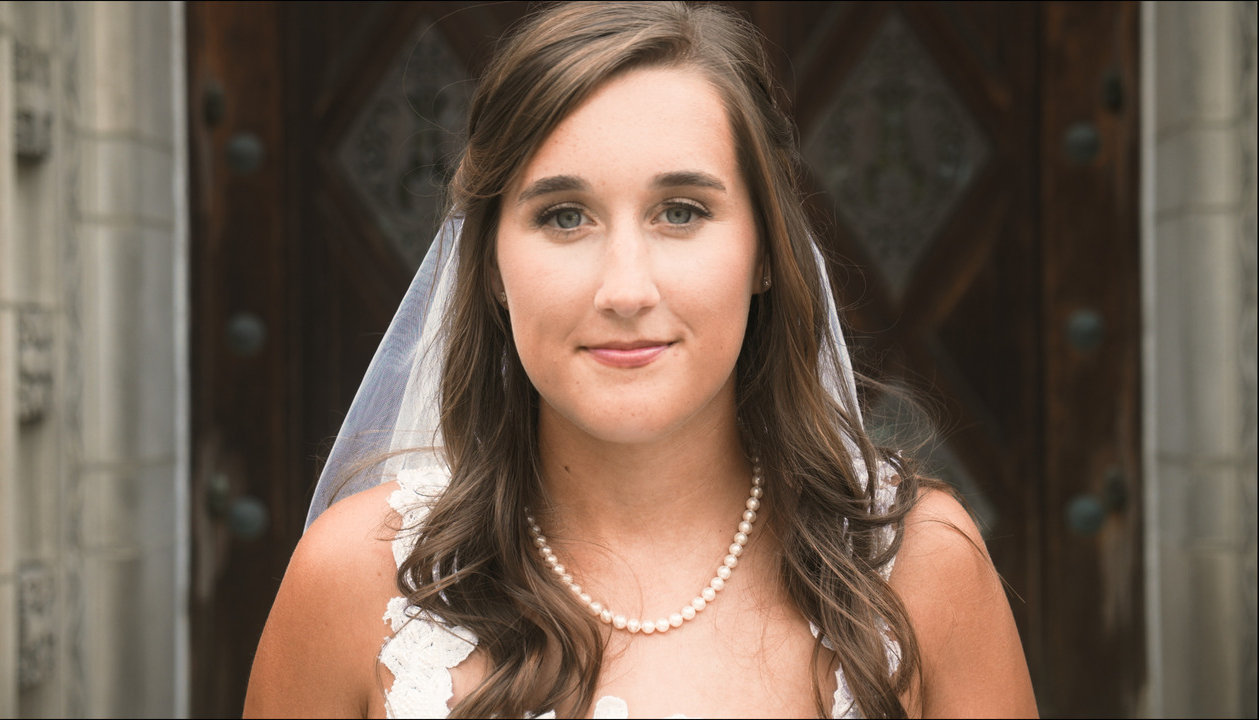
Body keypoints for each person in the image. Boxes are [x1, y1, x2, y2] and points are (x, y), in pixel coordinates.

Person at [243, 2, 1037, 717]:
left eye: (681, 212)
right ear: (489, 266)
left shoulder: (920, 568)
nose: (625, 289)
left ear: (765, 250)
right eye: (564, 217)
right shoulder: (357, 583)